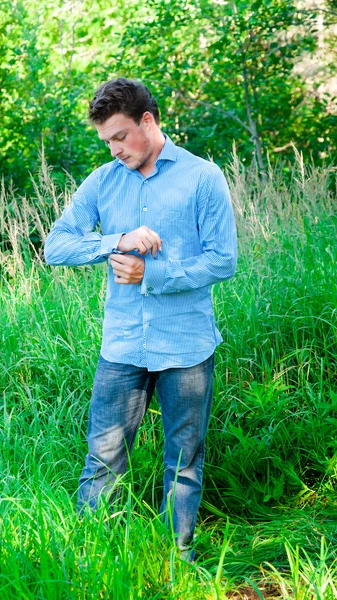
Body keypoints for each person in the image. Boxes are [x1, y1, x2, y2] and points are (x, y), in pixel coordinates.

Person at [44, 77, 237, 559]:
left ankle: (177, 559)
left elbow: (222, 260)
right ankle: (89, 560)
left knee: (184, 462)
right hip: (123, 346)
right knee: (103, 458)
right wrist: (118, 240)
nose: (113, 149)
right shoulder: (102, 181)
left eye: (120, 136)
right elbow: (56, 245)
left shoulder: (202, 177)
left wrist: (151, 273)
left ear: (147, 122)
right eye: (106, 140)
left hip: (186, 346)